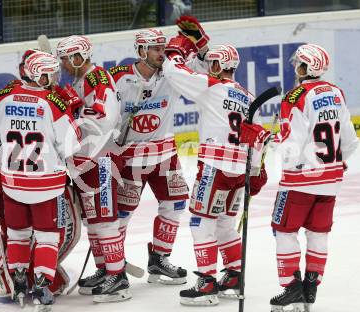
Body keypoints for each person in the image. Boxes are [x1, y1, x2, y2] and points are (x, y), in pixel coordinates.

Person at [240, 43, 359, 312]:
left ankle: (292, 288)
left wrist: (260, 136)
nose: (296, 67)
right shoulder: (337, 93)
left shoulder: (295, 97)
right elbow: (350, 141)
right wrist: (336, 163)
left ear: (307, 67)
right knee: (319, 232)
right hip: (332, 178)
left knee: (283, 230)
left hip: (301, 180)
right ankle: (311, 287)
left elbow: (291, 146)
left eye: (299, 63)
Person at [161, 18, 268, 305]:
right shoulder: (248, 97)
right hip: (239, 172)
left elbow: (173, 72)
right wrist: (257, 172)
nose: (209, 67)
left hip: (215, 168)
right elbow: (258, 138)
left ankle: (207, 283)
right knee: (224, 225)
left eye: (212, 63)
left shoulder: (212, 86)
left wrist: (177, 47)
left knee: (200, 222)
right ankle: (233, 275)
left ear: (219, 66)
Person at [0, 51, 81, 311]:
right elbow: (71, 144)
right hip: (46, 185)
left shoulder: (2, 98)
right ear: (40, 74)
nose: (56, 77)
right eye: (52, 73)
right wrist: (72, 110)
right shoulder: (52, 103)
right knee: (48, 237)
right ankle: (41, 287)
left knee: (17, 234)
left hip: (12, 183)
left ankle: (18, 282)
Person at [106, 28, 189, 286]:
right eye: (155, 49)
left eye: (163, 48)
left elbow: (203, 68)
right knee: (122, 214)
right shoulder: (118, 78)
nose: (161, 53)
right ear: (141, 51)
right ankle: (114, 268)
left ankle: (160, 259)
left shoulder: (172, 75)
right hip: (131, 159)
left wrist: (200, 44)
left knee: (175, 205)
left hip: (165, 154)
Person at [55, 35, 128, 303]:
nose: (62, 63)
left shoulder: (97, 79)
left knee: (106, 220)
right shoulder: (79, 80)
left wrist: (74, 110)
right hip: (85, 161)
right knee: (93, 220)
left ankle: (118, 278)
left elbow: (104, 118)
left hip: (101, 158)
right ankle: (104, 270)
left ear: (79, 57)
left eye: (65, 58)